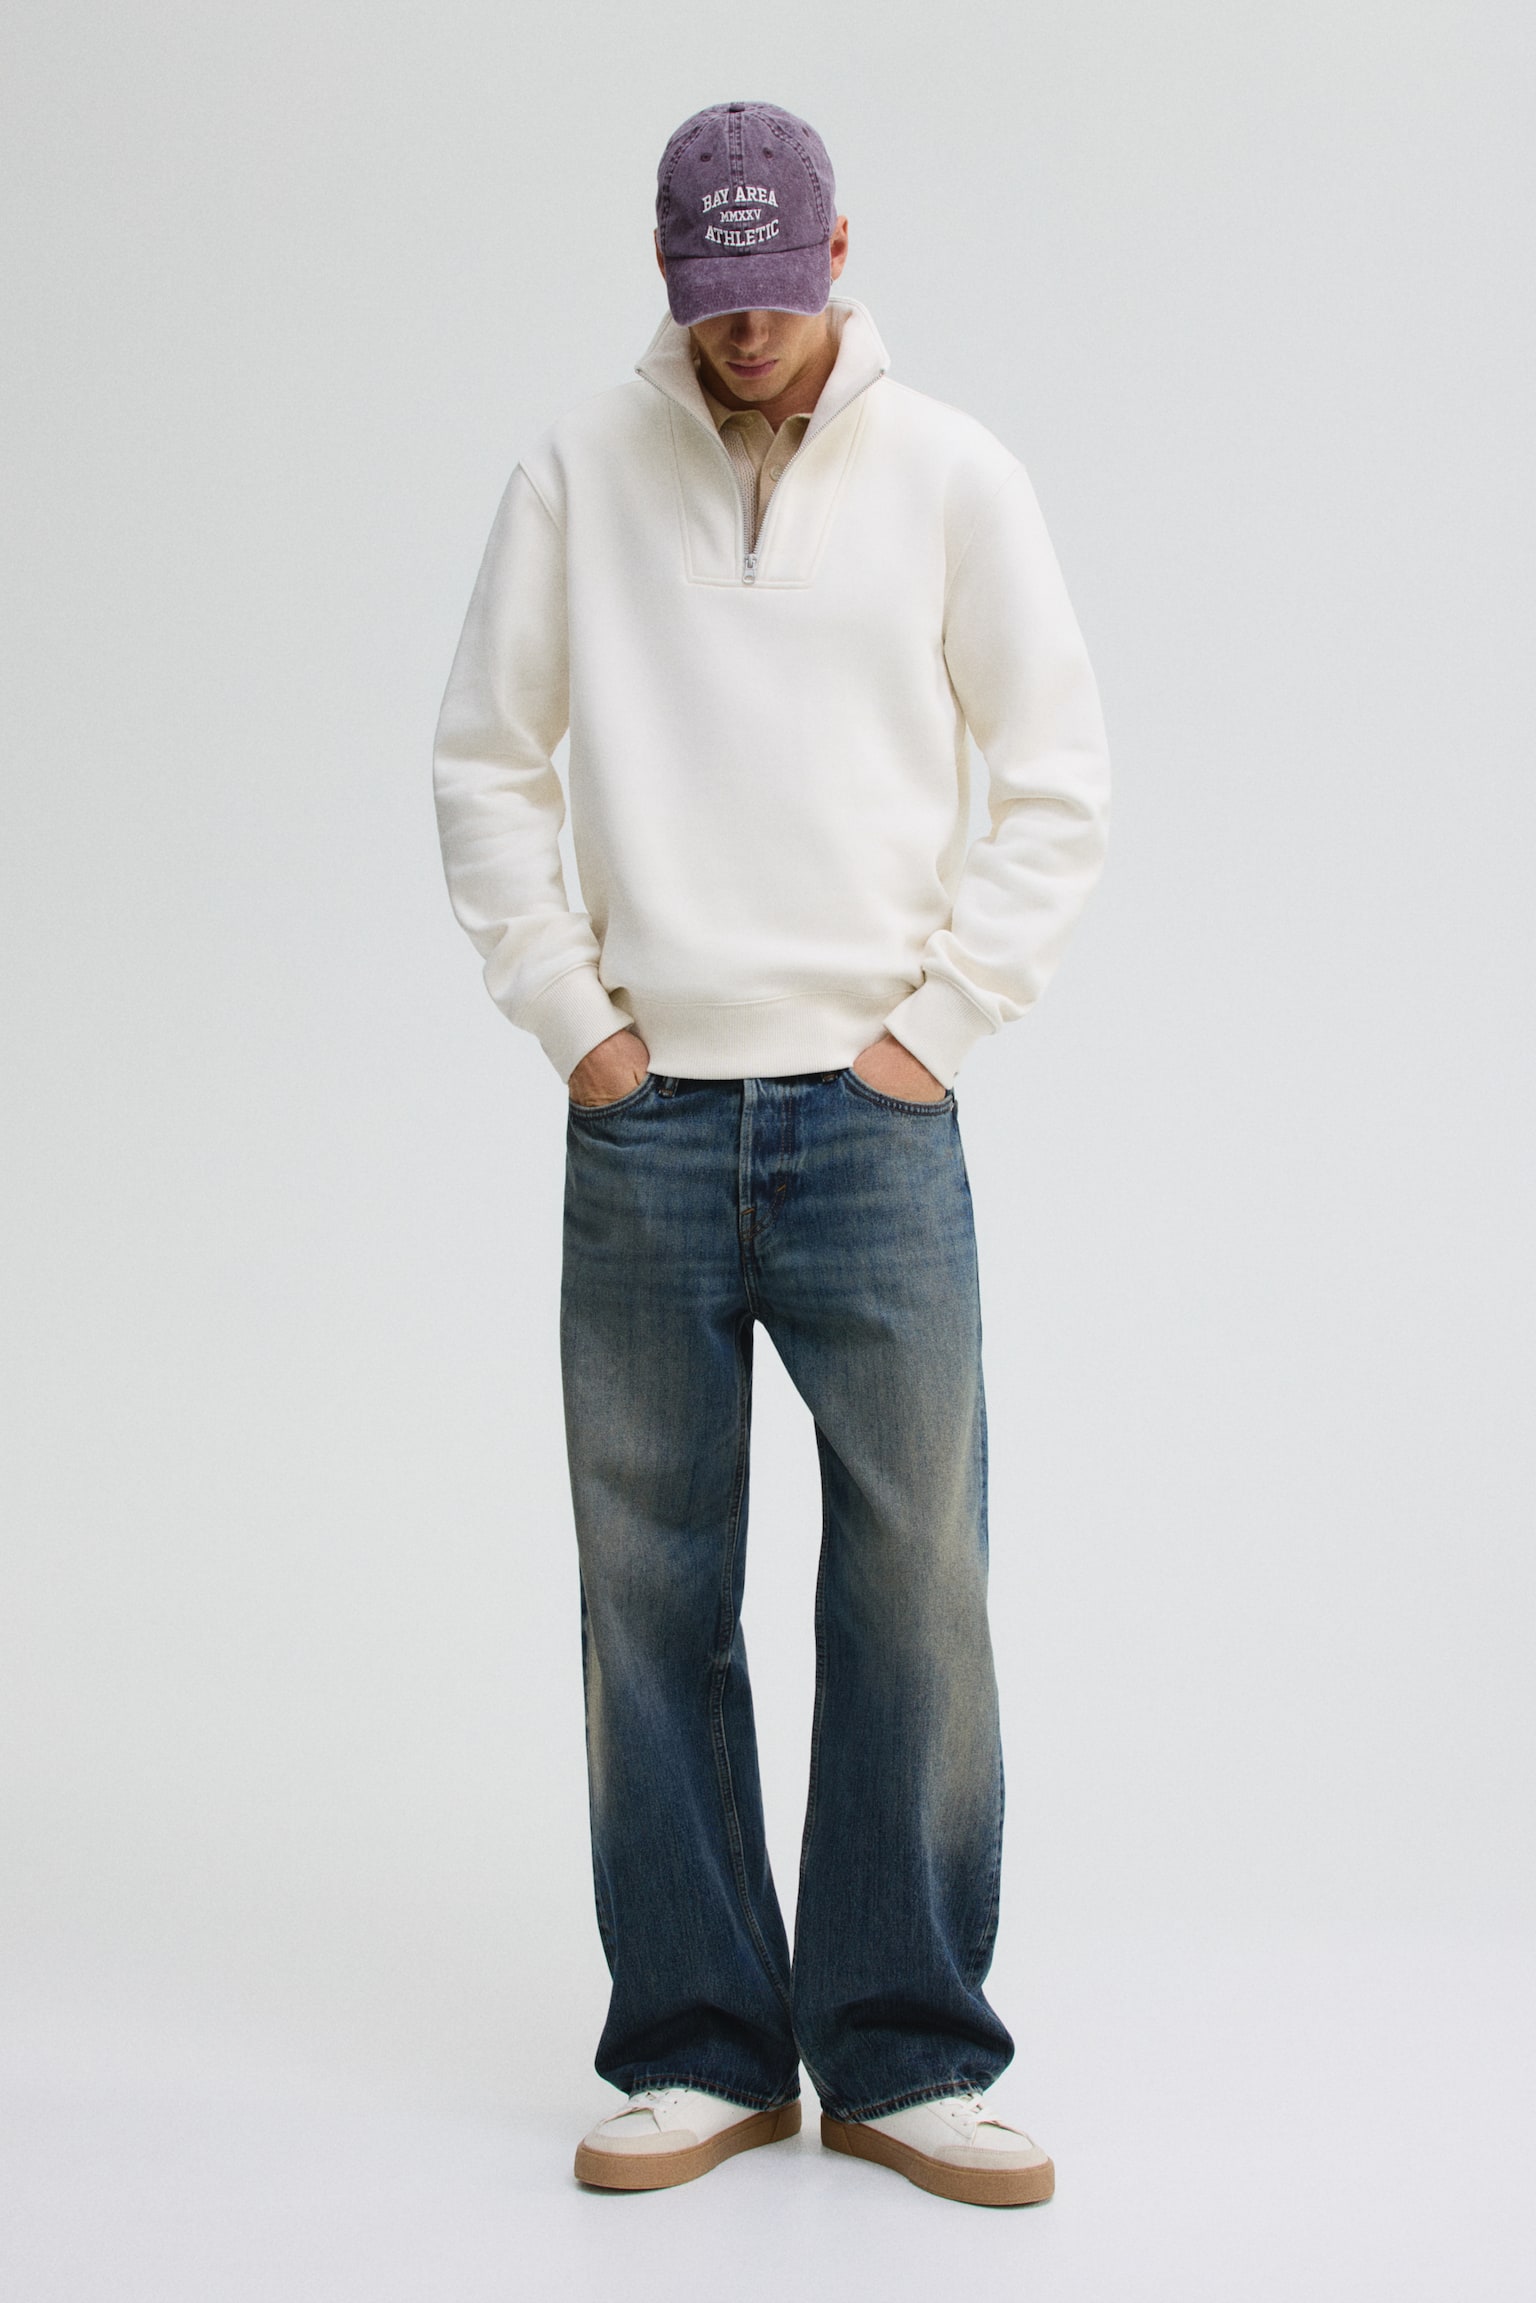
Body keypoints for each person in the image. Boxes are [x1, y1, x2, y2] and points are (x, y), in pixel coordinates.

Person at [431, 98, 1110, 2209]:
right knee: (650, 1590)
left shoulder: (954, 475)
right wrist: (578, 1026)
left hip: (873, 1120)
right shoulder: (575, 472)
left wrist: (936, 1031)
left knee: (917, 1583)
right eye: (712, 295)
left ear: (838, 254)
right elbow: (484, 761)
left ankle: (905, 2052)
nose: (749, 331)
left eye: (778, 288)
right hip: (644, 1123)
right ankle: (700, 2046)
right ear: (669, 276)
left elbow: (1058, 776)